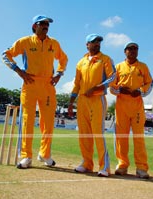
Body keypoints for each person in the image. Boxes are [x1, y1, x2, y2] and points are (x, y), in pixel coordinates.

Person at [2, 15, 68, 169]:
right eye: (42, 24)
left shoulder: (54, 43)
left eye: (47, 24)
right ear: (34, 26)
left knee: (48, 122)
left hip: (48, 85)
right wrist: (19, 71)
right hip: (30, 83)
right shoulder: (25, 41)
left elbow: (64, 59)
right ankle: (26, 156)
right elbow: (6, 54)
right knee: (27, 120)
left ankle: (44, 154)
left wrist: (59, 74)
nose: (46, 26)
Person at [68, 34, 115, 177]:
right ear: (87, 44)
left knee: (98, 133)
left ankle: (104, 167)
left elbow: (113, 76)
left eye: (99, 42)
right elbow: (77, 84)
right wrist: (71, 102)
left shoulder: (105, 59)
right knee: (84, 134)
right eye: (94, 42)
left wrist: (96, 88)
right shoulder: (81, 62)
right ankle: (87, 163)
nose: (97, 44)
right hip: (82, 101)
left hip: (97, 99)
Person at [109, 42, 153, 179]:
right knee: (121, 138)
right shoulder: (117, 67)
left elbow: (150, 83)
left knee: (138, 138)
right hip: (121, 106)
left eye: (135, 49)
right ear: (125, 51)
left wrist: (140, 92)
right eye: (130, 49)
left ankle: (141, 168)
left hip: (137, 106)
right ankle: (122, 165)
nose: (133, 51)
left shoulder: (143, 67)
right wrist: (119, 89)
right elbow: (111, 85)